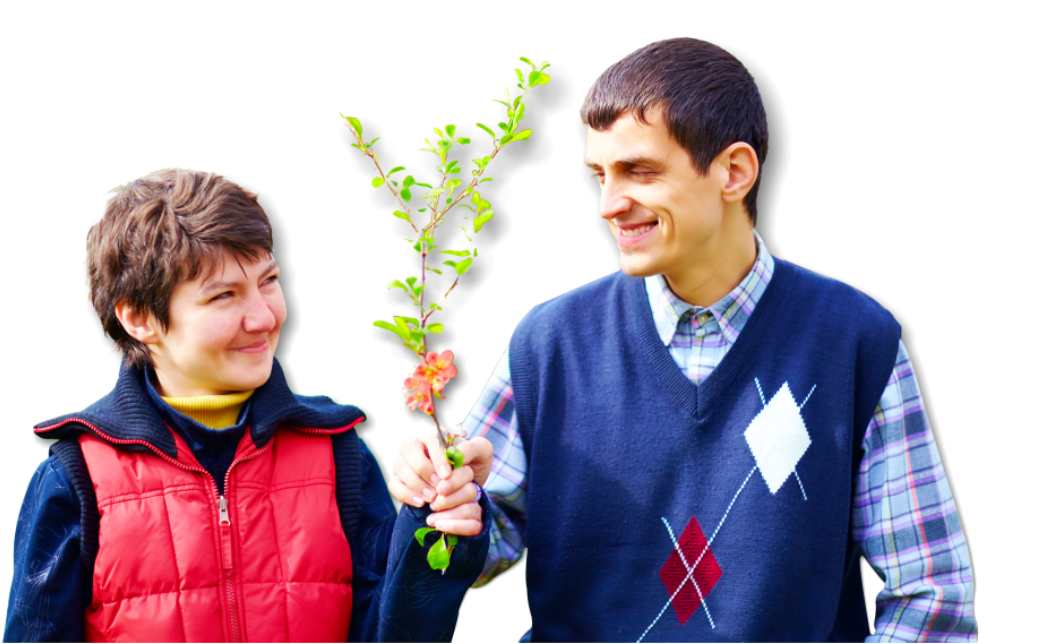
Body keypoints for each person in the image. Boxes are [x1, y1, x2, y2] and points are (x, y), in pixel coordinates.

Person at [387, 37, 979, 641]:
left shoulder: (856, 340)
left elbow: (932, 598)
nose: (607, 205)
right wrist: (447, 500)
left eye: (639, 172)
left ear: (734, 171)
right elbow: (480, 555)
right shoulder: (549, 342)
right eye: (598, 175)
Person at [5, 167, 493, 643]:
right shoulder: (76, 478)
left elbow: (396, 628)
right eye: (223, 296)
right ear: (138, 318)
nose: (263, 317)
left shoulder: (338, 452)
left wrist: (435, 518)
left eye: (269, 280)